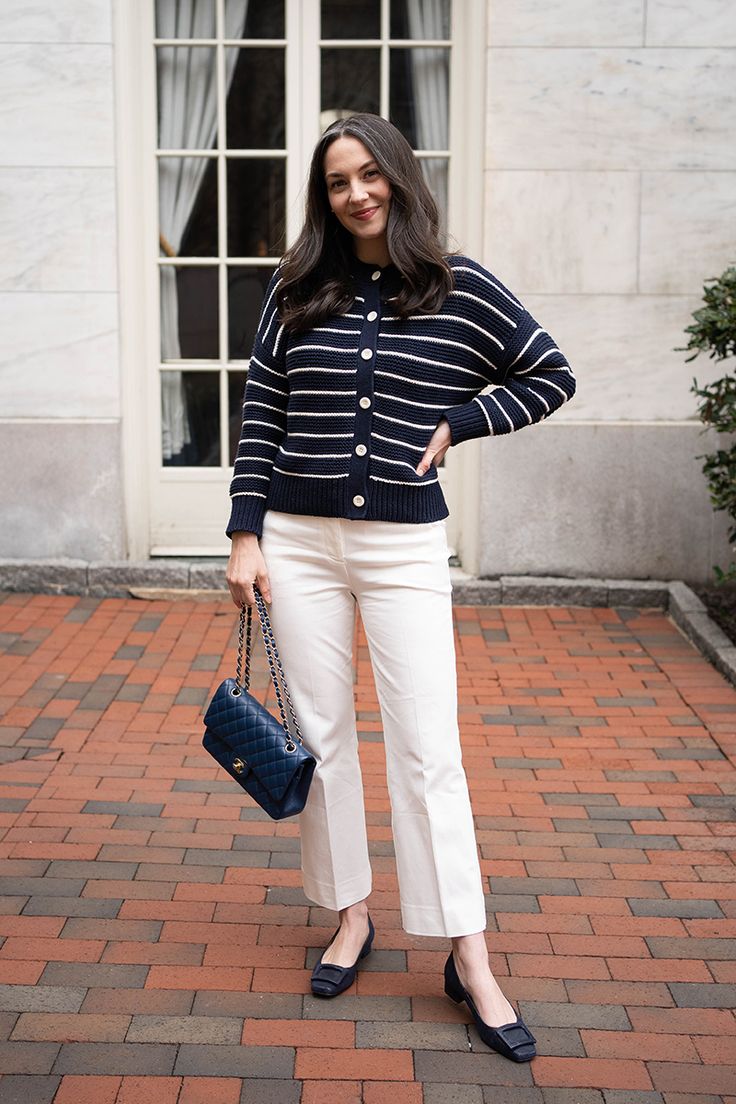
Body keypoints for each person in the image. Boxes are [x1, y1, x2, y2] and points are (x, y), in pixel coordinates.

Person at [225, 112, 576, 1063]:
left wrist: (461, 421)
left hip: (402, 549)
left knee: (429, 750)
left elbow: (551, 374)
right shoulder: (296, 285)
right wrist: (245, 532)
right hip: (296, 540)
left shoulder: (459, 286)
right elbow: (263, 410)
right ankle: (351, 915)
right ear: (324, 195)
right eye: (338, 181)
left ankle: (470, 955)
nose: (356, 194)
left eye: (369, 175)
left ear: (399, 178)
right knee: (326, 742)